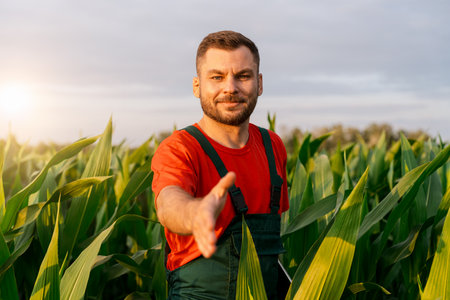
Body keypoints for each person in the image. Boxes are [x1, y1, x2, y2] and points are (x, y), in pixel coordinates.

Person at [151, 30, 289, 299]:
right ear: (197, 86)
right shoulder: (180, 148)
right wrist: (196, 213)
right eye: (217, 77)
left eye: (243, 76)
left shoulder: (273, 146)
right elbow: (169, 202)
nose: (230, 88)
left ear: (259, 83)